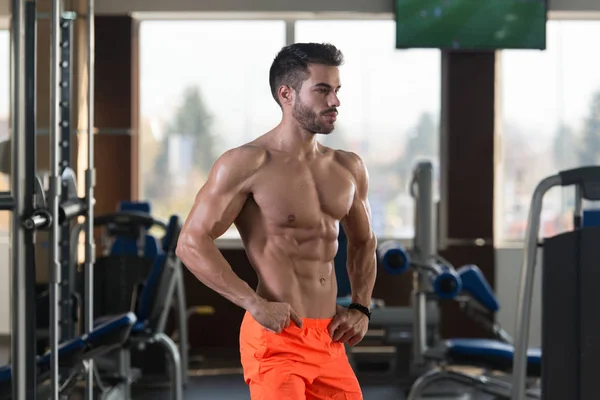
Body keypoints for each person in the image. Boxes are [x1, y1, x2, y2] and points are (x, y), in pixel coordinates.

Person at [176, 42, 377, 399]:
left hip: (329, 337)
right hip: (277, 338)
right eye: (322, 90)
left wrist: (361, 305)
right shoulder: (246, 164)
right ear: (286, 94)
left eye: (337, 90)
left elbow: (364, 242)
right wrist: (253, 303)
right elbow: (191, 242)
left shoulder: (348, 168)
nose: (335, 102)